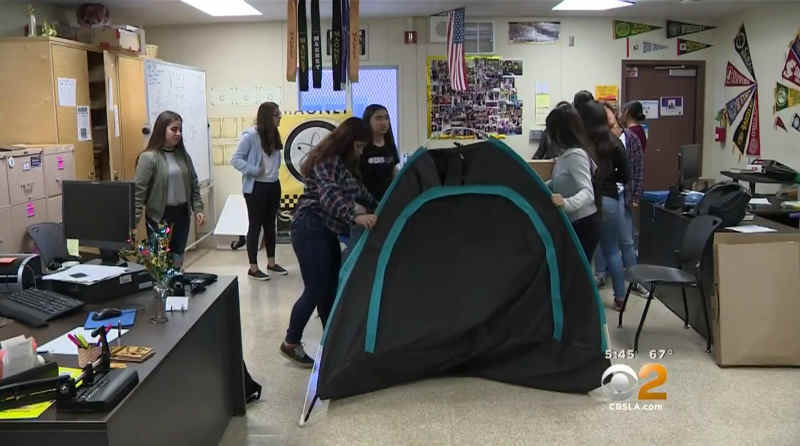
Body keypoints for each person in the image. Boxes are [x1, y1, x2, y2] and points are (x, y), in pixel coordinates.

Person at [280, 117, 378, 367]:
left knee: (329, 289)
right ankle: (291, 342)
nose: (361, 152)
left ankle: (332, 344)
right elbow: (329, 197)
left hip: (324, 231)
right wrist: (357, 216)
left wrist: (382, 206)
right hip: (310, 228)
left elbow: (360, 192)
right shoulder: (327, 162)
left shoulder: (343, 166)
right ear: (347, 143)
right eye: (358, 146)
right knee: (316, 289)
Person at [576, 101, 630, 311]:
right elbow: (625, 176)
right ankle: (620, 298)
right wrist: (609, 178)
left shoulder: (581, 145)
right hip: (609, 200)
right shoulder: (616, 143)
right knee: (612, 250)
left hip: (586, 202)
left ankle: (584, 300)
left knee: (583, 252)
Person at [134, 111, 205, 268]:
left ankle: (176, 280)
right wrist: (134, 220)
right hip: (159, 214)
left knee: (178, 253)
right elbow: (138, 192)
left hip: (181, 213)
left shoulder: (183, 156)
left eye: (180, 130)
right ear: (161, 130)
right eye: (174, 129)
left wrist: (198, 208)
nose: (178, 133)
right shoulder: (149, 157)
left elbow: (193, 184)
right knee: (160, 258)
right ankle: (161, 287)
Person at [594, 102, 647, 297]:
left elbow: (639, 168)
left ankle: (634, 280)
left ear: (614, 114)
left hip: (624, 195)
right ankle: (600, 274)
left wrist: (636, 195)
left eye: (606, 112)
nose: (605, 116)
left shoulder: (630, 138)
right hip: (605, 196)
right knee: (604, 240)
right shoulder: (597, 140)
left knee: (626, 240)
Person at [231, 102, 288, 280]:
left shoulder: (274, 134)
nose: (280, 117)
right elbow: (235, 160)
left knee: (271, 225)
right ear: (267, 116)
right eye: (277, 115)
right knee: (255, 226)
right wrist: (254, 171)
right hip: (256, 187)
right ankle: (253, 268)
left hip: (273, 185)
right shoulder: (250, 136)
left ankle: (271, 263)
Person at [545, 104, 599, 258]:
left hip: (584, 224)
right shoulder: (564, 156)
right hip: (575, 223)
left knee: (577, 277)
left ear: (559, 132)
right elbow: (559, 181)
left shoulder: (576, 155)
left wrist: (565, 203)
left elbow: (588, 193)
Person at [360, 104, 399, 201]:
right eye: (378, 118)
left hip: (387, 200)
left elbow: (394, 170)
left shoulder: (390, 144)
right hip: (366, 199)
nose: (384, 123)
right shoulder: (361, 146)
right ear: (368, 121)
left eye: (386, 118)